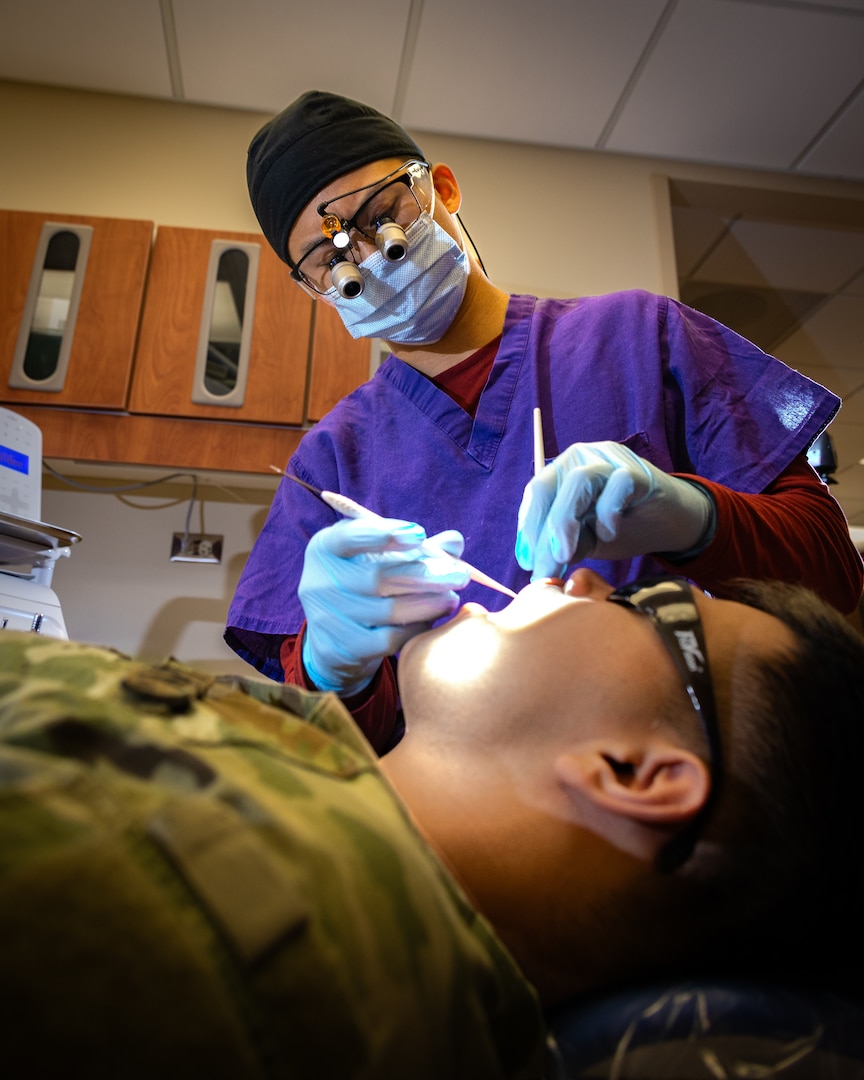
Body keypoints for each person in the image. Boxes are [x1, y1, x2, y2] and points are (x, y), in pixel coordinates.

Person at [2, 572, 864, 1077]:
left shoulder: (188, 940)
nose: (589, 577)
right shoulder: (289, 817)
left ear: (632, 773)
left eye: (650, 601)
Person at [226, 89, 864, 753]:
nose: (368, 259)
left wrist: (692, 517)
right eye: (333, 260)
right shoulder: (333, 460)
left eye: (382, 215)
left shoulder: (639, 336)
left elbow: (833, 574)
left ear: (442, 187)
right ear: (311, 287)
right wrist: (337, 668)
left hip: (700, 771)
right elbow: (334, 752)